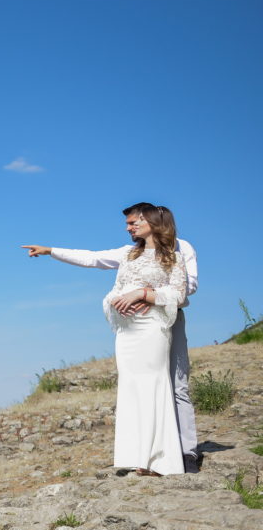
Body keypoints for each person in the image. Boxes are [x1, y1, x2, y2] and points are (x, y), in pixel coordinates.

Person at [22, 203, 200, 474]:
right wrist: (51, 251)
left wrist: (144, 294)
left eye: (133, 223)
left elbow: (185, 289)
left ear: (152, 221)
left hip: (160, 322)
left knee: (171, 386)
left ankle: (179, 454)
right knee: (131, 387)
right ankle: (138, 455)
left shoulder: (179, 251)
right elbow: (93, 259)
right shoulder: (128, 254)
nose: (127, 228)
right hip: (129, 329)